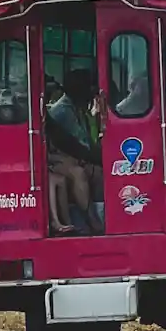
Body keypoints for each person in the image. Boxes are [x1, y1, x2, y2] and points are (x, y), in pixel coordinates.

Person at [46, 68, 104, 233]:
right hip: (55, 159)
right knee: (81, 173)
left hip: (67, 157)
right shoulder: (63, 111)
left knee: (97, 173)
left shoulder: (78, 109)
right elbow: (74, 144)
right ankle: (93, 222)